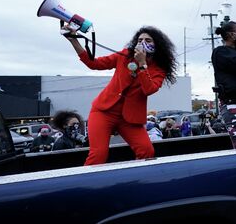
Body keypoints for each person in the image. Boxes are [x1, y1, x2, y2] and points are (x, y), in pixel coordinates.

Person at [63, 25, 177, 165]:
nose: (143, 43)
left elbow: (149, 89)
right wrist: (74, 40)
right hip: (104, 111)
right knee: (98, 155)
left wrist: (142, 64)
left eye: (148, 40)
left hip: (130, 118)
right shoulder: (125, 55)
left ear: (157, 45)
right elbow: (94, 64)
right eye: (140, 40)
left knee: (147, 152)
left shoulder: (159, 68)